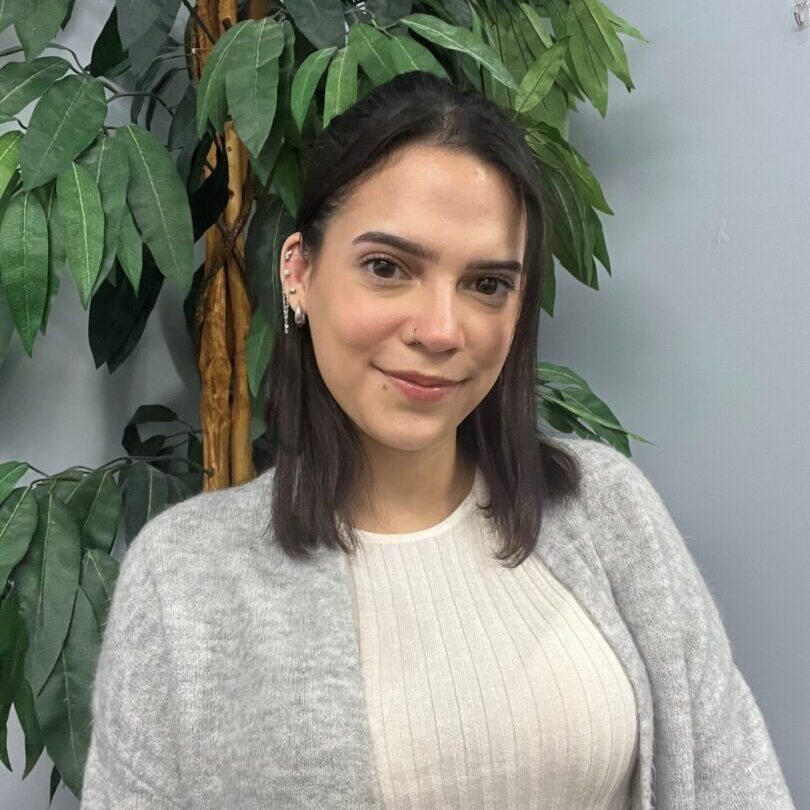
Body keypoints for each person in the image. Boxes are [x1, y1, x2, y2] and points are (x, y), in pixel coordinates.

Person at [79, 71, 795, 809]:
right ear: (299, 272)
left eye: (486, 284)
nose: (440, 330)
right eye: (387, 268)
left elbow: (735, 781)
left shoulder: (606, 509)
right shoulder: (184, 581)